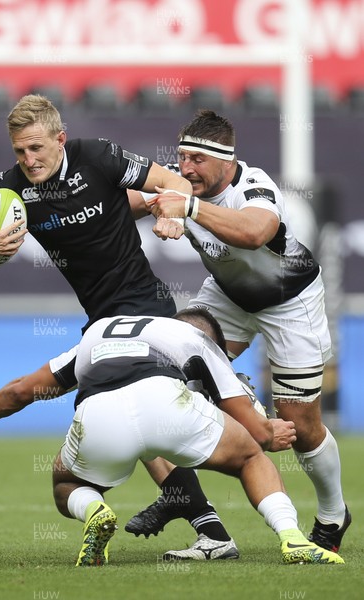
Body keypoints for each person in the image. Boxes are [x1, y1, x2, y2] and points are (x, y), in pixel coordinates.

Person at [0, 94, 240, 559]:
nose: (28, 160)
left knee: (115, 431)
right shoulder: (12, 190)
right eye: (19, 151)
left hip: (142, 310)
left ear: (60, 139)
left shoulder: (98, 156)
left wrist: (171, 212)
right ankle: (204, 520)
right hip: (100, 322)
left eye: (36, 148)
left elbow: (171, 181)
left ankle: (204, 505)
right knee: (145, 429)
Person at [126, 109, 350, 559]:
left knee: (302, 429)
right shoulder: (178, 184)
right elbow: (118, 205)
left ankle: (332, 513)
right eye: (181, 157)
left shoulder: (255, 186)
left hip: (291, 301)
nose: (185, 169)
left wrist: (185, 207)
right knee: (156, 376)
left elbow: (254, 232)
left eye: (196, 160)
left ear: (227, 160)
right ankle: (194, 511)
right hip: (227, 296)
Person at [0, 308, 342, 566]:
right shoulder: (197, 339)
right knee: (250, 459)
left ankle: (94, 510)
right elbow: (256, 429)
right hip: (165, 402)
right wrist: (269, 432)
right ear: (210, 336)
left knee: (65, 484)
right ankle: (292, 538)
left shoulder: (99, 330)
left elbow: (23, 390)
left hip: (99, 414)